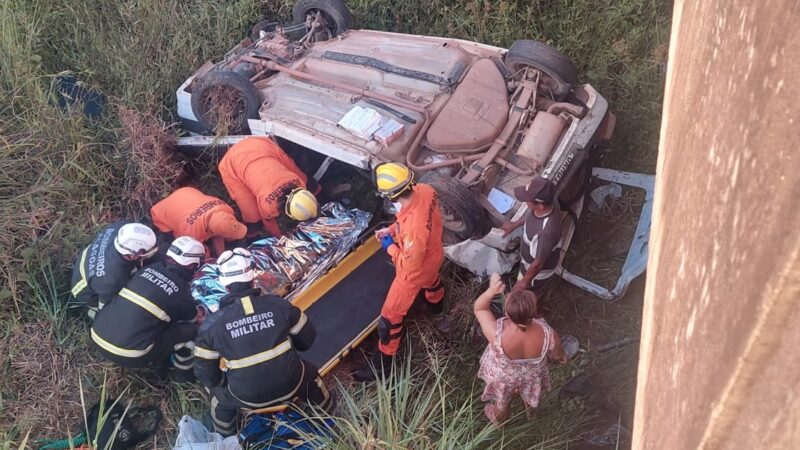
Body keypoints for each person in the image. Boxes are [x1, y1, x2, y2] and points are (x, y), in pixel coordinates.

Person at [193, 248, 331, 436]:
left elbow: (205, 373)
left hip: (245, 396)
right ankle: (328, 420)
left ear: (225, 287)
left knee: (219, 400)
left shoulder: (211, 326)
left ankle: (226, 438)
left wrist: (225, 382)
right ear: (252, 280)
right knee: (312, 378)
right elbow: (306, 341)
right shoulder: (280, 306)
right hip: (291, 384)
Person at [352, 162, 445, 382]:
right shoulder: (425, 190)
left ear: (390, 196)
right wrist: (392, 230)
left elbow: (409, 265)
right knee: (432, 281)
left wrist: (390, 247)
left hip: (414, 272)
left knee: (390, 318)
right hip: (434, 256)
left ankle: (383, 364)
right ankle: (437, 307)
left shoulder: (414, 230)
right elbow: (410, 218)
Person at [90, 236, 206, 381]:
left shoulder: (150, 268)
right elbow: (195, 319)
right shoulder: (182, 291)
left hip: (97, 334)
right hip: (131, 353)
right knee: (191, 333)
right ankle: (183, 378)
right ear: (192, 266)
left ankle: (159, 362)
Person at [474, 273, 567, 425]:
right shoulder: (548, 334)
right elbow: (557, 353)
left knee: (502, 402)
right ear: (533, 312)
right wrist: (561, 356)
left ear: (507, 313)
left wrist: (491, 290)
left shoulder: (496, 333)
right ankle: (530, 414)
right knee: (531, 395)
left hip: (504, 378)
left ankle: (499, 421)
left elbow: (480, 309)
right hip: (531, 375)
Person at [218, 137, 319, 237]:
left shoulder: (299, 182)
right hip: (232, 162)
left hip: (259, 144)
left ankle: (318, 192)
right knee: (253, 218)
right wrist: (279, 237)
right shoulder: (269, 206)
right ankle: (252, 234)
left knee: (308, 183)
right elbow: (269, 222)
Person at [70, 221, 158, 318]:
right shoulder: (111, 278)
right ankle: (87, 311)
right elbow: (107, 308)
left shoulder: (119, 227)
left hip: (85, 267)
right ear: (133, 255)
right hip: (85, 293)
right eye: (149, 251)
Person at [500, 176, 563, 295]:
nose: (525, 201)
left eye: (527, 199)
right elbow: (531, 216)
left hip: (537, 274)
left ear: (540, 206)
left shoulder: (544, 234)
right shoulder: (550, 202)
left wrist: (524, 283)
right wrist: (514, 225)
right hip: (527, 264)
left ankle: (535, 304)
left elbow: (538, 264)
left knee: (531, 293)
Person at [150, 186, 247, 257]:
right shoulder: (190, 232)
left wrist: (222, 256)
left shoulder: (225, 208)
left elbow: (218, 234)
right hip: (161, 214)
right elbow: (193, 250)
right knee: (199, 251)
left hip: (185, 192)